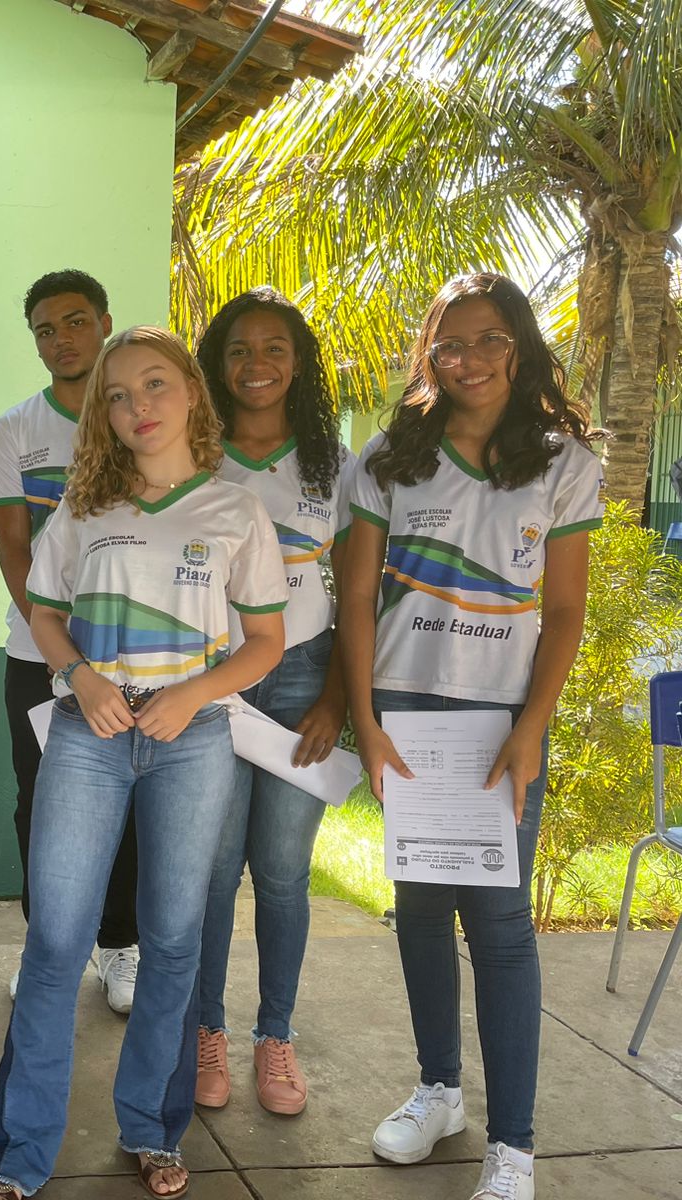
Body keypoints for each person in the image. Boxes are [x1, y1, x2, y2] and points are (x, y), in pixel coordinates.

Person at [0, 327, 288, 1200]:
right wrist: (77, 674)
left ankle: (152, 1129)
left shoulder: (235, 510)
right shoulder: (83, 508)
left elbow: (266, 640)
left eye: (154, 384)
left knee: (173, 941)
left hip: (192, 744)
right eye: (118, 395)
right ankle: (19, 1153)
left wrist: (194, 697)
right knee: (56, 942)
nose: (136, 406)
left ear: (191, 391)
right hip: (90, 736)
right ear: (104, 417)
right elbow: (43, 615)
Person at [340, 273, 602, 1200]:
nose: (467, 362)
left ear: (518, 347)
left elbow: (564, 610)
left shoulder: (565, 461)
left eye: (487, 341)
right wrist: (366, 722)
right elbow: (358, 598)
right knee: (418, 908)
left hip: (502, 723)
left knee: (498, 923)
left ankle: (515, 1144)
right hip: (407, 715)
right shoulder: (388, 458)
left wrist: (533, 726)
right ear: (429, 357)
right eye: (448, 347)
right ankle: (439, 1090)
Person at [192, 288, 356, 1115]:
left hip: (301, 680)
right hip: (213, 679)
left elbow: (358, 591)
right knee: (214, 869)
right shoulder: (193, 451)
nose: (257, 365)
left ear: (299, 363)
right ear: (216, 366)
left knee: (284, 873)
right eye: (239, 350)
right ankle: (206, 1031)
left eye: (275, 348)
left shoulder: (335, 462)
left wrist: (337, 699)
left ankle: (275, 1036)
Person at [0, 269, 141, 1010]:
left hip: (136, 654)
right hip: (36, 654)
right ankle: (51, 944)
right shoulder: (15, 430)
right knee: (40, 802)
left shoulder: (141, 421)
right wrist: (58, 641)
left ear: (104, 322)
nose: (60, 339)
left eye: (74, 322)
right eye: (44, 330)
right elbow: (14, 549)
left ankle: (120, 946)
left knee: (128, 801)